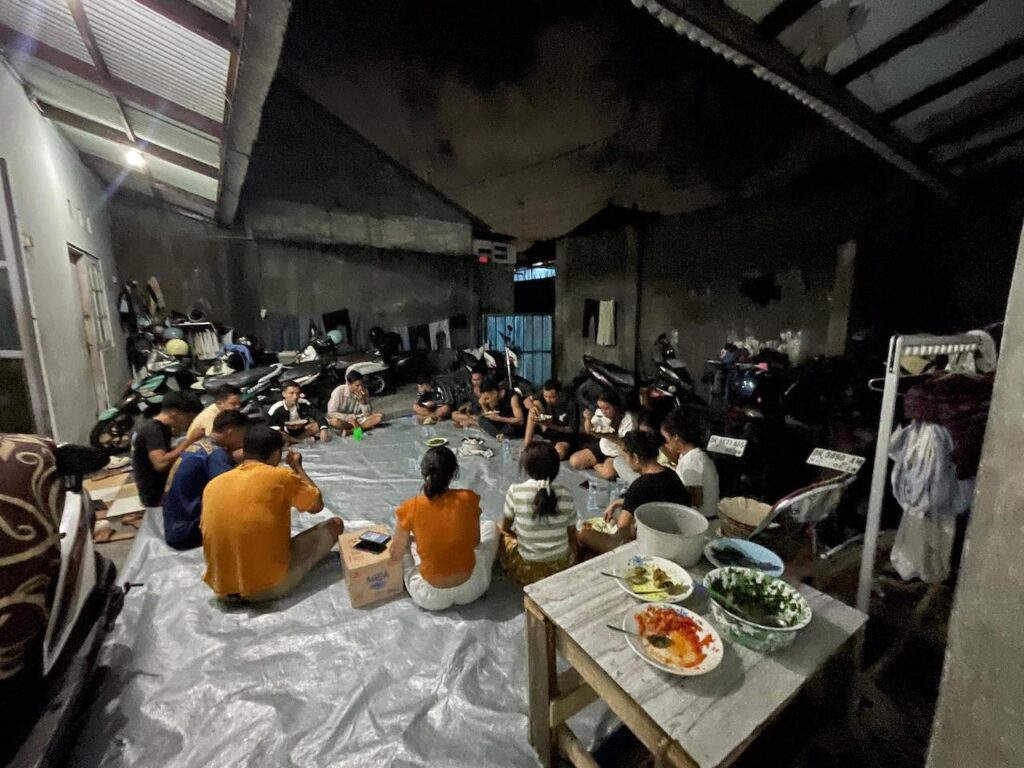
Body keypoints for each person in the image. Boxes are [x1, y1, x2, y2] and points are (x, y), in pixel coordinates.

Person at [201, 426, 345, 602]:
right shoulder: (281, 477)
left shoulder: (213, 485)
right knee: (335, 525)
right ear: (276, 453)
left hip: (221, 589)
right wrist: (297, 467)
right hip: (265, 588)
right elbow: (316, 506)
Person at [389, 446, 499, 611]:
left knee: (400, 543)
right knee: (490, 526)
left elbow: (395, 555)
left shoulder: (410, 507)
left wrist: (411, 541)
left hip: (429, 597)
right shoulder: (468, 498)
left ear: (423, 472)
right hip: (473, 588)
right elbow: (476, 542)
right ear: (454, 473)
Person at [579, 430, 690, 556]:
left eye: (626, 456)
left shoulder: (639, 485)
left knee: (584, 534)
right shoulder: (671, 474)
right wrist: (620, 502)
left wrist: (625, 538)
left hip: (652, 546)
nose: (625, 461)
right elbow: (659, 499)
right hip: (677, 538)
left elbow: (623, 525)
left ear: (635, 458)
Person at [163, 410, 247, 550]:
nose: (243, 441)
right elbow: (232, 493)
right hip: (188, 531)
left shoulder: (199, 446)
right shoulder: (216, 455)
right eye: (243, 435)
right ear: (231, 431)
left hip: (174, 525)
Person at [498, 442, 577, 585]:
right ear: (556, 469)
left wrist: (518, 535)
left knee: (499, 533)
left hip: (527, 571)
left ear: (526, 468)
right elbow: (572, 536)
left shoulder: (515, 491)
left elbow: (505, 528)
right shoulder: (566, 494)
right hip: (562, 566)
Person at [132, 390, 202, 513]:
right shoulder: (154, 430)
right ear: (174, 413)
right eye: (188, 417)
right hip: (157, 497)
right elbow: (160, 463)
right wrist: (189, 441)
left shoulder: (163, 429)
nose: (190, 422)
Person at [661, 408, 720, 519]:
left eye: (666, 439)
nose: (665, 444)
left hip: (703, 522)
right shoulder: (689, 456)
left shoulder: (693, 461)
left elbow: (695, 500)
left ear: (676, 437)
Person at [569, 390, 635, 480]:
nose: (603, 412)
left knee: (607, 473)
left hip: (617, 453)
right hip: (603, 446)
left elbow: (627, 445)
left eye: (606, 409)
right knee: (574, 461)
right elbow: (589, 430)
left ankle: (599, 466)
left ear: (616, 407)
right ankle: (600, 465)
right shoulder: (600, 413)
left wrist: (606, 435)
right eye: (601, 408)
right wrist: (588, 419)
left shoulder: (628, 420)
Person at [522, 379, 580, 460]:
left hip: (564, 434)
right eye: (545, 396)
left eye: (552, 397)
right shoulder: (545, 393)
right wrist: (532, 406)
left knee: (559, 453)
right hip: (548, 427)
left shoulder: (571, 404)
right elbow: (526, 400)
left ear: (560, 393)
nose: (547, 400)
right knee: (535, 405)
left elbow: (572, 430)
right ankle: (526, 445)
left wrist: (550, 425)